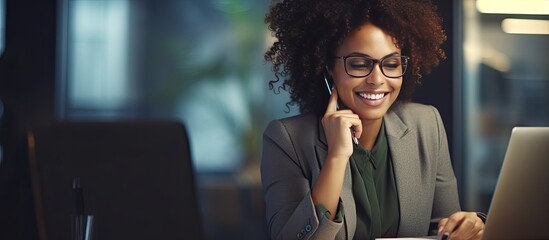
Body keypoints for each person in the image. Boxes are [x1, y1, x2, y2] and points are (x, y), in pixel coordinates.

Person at [260, 0, 486, 239]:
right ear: (328, 69)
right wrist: (336, 156)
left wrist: (469, 226)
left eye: (391, 64)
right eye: (359, 64)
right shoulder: (286, 140)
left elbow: (444, 226)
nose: (377, 79)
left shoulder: (426, 124)